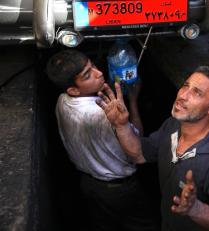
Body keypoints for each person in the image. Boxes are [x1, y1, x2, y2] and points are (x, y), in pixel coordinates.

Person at [97, 66, 209, 231]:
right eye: (185, 85)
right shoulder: (174, 125)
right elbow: (139, 154)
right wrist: (121, 125)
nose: (182, 95)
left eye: (197, 92)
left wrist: (196, 209)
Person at [46, 49, 158, 231]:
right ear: (73, 90)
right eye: (88, 75)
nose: (99, 73)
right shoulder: (102, 117)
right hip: (119, 190)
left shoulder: (62, 101)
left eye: (93, 66)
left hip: (89, 184)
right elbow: (138, 148)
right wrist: (133, 101)